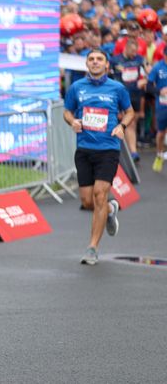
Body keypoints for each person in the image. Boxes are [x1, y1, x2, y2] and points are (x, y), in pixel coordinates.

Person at [64, 50, 134, 265]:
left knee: (100, 195)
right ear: (87, 64)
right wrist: (72, 121)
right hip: (84, 149)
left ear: (106, 65)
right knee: (87, 201)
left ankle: (92, 247)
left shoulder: (117, 88)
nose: (95, 62)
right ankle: (111, 209)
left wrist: (122, 126)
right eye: (91, 59)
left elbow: (129, 111)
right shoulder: (77, 88)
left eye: (99, 59)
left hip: (108, 149)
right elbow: (67, 111)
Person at [109, 38, 147, 161]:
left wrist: (144, 80)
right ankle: (125, 153)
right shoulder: (115, 60)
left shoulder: (139, 59)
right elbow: (108, 77)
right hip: (120, 96)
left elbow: (149, 74)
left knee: (131, 124)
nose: (134, 54)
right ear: (126, 48)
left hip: (135, 95)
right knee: (123, 124)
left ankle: (133, 152)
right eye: (132, 51)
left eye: (136, 51)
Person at [147, 49, 167, 172]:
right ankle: (159, 154)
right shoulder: (157, 67)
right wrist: (160, 91)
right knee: (161, 133)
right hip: (162, 105)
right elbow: (148, 87)